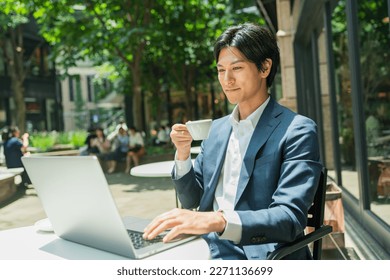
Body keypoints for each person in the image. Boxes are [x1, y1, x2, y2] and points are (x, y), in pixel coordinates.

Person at [142, 23, 323, 260]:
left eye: (236, 68)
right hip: (205, 245)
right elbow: (192, 199)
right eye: (220, 70)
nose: (227, 80)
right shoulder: (217, 129)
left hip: (261, 253)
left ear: (265, 67)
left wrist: (216, 221)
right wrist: (184, 154)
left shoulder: (297, 130)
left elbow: (289, 218)